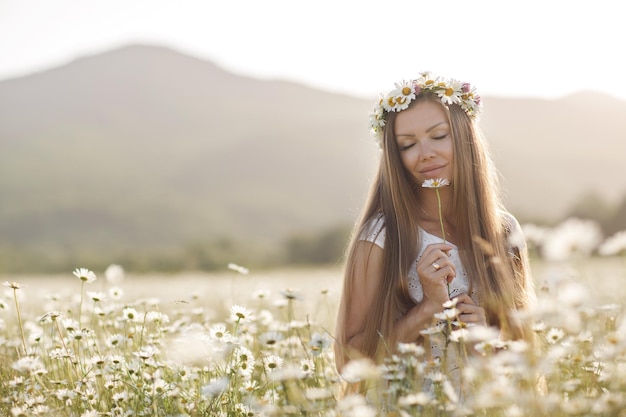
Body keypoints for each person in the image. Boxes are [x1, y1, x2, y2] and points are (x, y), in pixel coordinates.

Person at [334, 72, 536, 376]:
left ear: (465, 137)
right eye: (407, 145)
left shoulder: (504, 231)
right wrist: (427, 309)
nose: (426, 154)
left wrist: (487, 343)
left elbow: (526, 357)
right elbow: (348, 363)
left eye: (439, 136)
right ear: (395, 157)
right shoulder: (381, 237)